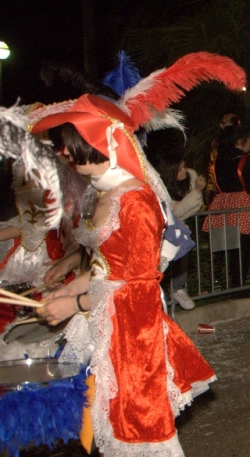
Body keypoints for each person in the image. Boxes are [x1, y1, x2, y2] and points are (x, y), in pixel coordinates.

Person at [31, 95, 217, 455]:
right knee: (99, 424)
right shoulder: (104, 194)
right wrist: (68, 291)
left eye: (71, 147)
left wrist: (75, 303)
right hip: (106, 322)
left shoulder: (134, 201)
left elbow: (138, 285)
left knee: (136, 429)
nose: (63, 155)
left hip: (133, 334)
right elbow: (107, 267)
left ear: (98, 143)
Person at [202, 123, 250, 288]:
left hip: (222, 205)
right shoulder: (246, 161)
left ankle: (227, 283)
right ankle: (239, 285)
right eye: (249, 139)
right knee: (243, 248)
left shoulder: (218, 160)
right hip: (243, 206)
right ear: (240, 140)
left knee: (228, 249)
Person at [149, 150, 205, 310]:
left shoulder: (187, 181)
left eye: (184, 167)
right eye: (180, 169)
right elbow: (178, 212)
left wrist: (194, 190)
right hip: (162, 231)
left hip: (178, 230)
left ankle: (177, 289)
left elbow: (191, 209)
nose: (184, 171)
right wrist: (196, 191)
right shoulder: (161, 189)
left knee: (182, 256)